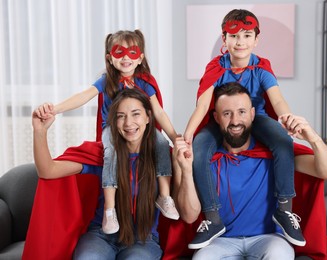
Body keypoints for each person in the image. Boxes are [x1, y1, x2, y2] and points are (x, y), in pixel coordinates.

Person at [34, 30, 179, 235]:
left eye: (132, 51)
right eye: (119, 52)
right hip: (112, 129)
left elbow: (158, 112)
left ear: (140, 58)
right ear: (109, 58)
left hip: (143, 133)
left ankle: (164, 196)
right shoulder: (107, 81)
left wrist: (175, 138)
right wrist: (55, 109)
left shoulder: (146, 82)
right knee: (110, 152)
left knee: (163, 144)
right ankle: (109, 209)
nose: (126, 57)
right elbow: (83, 96)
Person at [174, 82, 327, 258]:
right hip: (220, 242)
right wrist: (185, 170)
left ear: (253, 114)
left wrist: (313, 138)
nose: (235, 121)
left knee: (279, 256)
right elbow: (189, 216)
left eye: (242, 112)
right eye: (227, 114)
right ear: (216, 118)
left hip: (269, 239)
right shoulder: (205, 160)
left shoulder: (274, 155)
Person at [183, 9, 301, 248]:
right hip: (223, 120)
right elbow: (203, 103)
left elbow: (276, 99)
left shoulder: (261, 67)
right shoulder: (216, 67)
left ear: (256, 39)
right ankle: (213, 218)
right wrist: (188, 133)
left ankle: (284, 209)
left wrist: (286, 116)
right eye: (234, 36)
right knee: (200, 148)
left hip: (255, 118)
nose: (240, 42)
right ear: (224, 38)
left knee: (282, 142)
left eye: (247, 35)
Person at [32, 88, 163, 259]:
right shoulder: (101, 154)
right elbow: (48, 171)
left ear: (148, 117)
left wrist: (186, 168)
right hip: (101, 236)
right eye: (120, 116)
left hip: (143, 240)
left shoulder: (163, 158)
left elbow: (188, 211)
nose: (128, 123)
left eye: (136, 114)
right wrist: (39, 131)